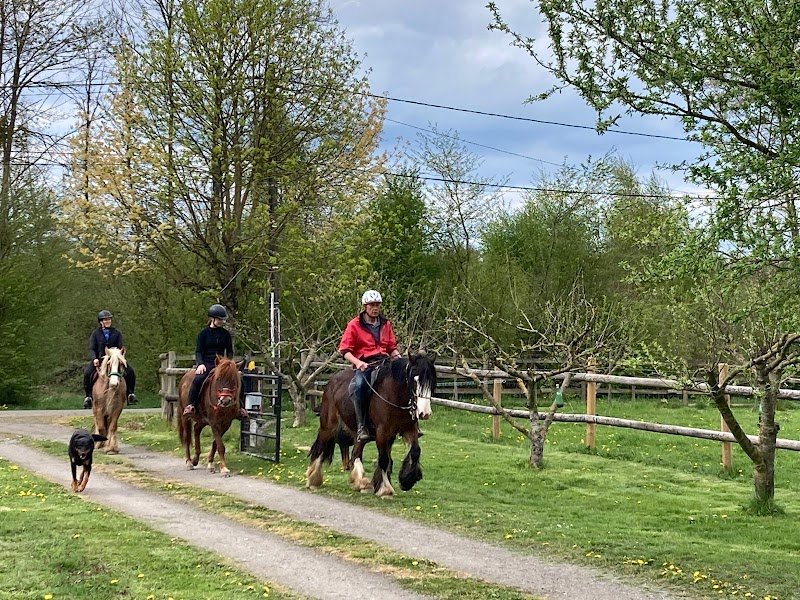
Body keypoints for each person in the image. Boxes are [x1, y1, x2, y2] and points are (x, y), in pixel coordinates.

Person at [338, 290, 401, 442]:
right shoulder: (354, 325)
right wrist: (358, 363)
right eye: (372, 305)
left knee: (405, 381)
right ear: (365, 306)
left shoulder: (386, 324)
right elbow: (344, 350)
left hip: (385, 363)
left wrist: (399, 359)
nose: (375, 308)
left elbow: (392, 347)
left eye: (377, 305)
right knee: (359, 386)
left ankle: (407, 424)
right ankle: (361, 426)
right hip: (366, 365)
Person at [183, 304, 247, 419]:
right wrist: (200, 364)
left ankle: (241, 407)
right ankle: (191, 405)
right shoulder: (203, 334)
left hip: (222, 365)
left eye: (222, 319)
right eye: (219, 319)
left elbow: (230, 351)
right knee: (198, 380)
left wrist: (229, 364)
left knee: (240, 379)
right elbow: (198, 351)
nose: (221, 321)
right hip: (207, 363)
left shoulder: (225, 334)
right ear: (212, 319)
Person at [83, 310, 137, 408]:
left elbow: (121, 346)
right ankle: (88, 397)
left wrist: (120, 355)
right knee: (87, 373)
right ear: (101, 322)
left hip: (114, 359)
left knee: (130, 372)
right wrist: (94, 358)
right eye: (105, 320)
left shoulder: (116, 333)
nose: (108, 321)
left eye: (109, 319)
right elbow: (91, 348)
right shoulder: (95, 333)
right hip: (99, 360)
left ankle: (130, 394)